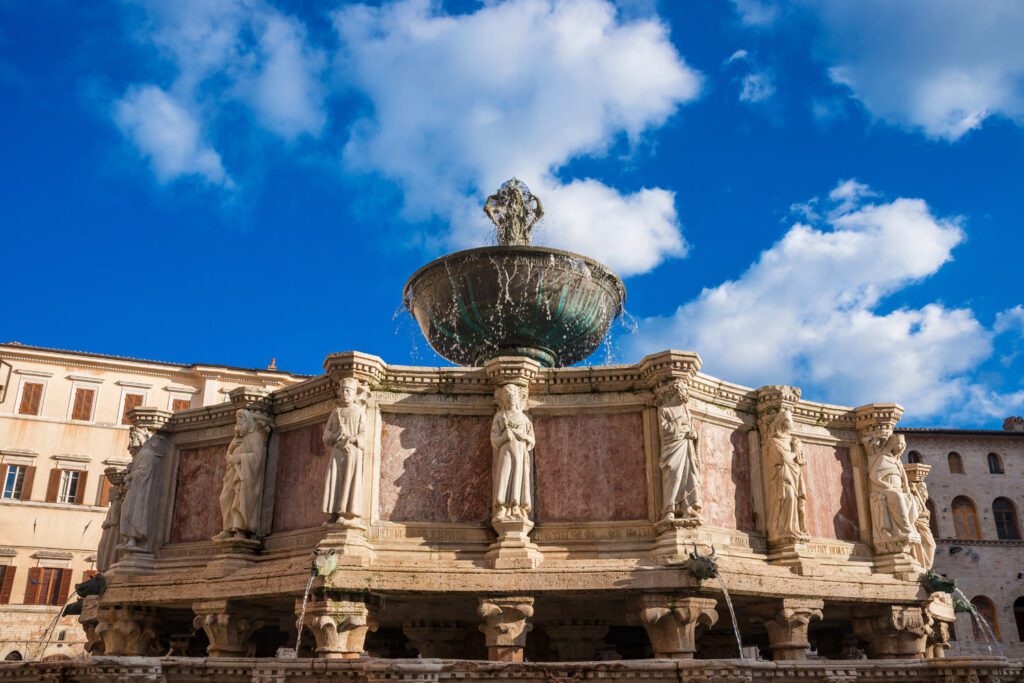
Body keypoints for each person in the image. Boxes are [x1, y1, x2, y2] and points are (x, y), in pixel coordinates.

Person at [322, 378, 367, 523]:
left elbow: (364, 434)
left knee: (349, 481)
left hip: (352, 453)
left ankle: (346, 513)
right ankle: (333, 514)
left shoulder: (359, 411)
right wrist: (335, 435)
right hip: (337, 452)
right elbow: (326, 435)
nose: (344, 393)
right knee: (335, 481)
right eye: (342, 391)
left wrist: (352, 438)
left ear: (354, 394)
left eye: (348, 391)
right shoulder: (336, 412)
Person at [657, 380, 702, 524]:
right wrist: (681, 427)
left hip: (687, 448)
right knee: (673, 475)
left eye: (686, 390)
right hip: (673, 449)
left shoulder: (687, 411)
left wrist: (694, 434)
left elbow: (693, 429)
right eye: (683, 390)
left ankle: (687, 508)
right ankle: (669, 509)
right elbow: (664, 430)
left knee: (690, 477)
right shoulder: (664, 410)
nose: (686, 393)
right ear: (675, 392)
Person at [491, 384, 535, 521]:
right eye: (507, 397)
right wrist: (504, 437)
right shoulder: (500, 416)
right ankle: (501, 507)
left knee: (518, 475)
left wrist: (524, 437)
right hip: (506, 450)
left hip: (520, 451)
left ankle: (516, 506)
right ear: (504, 399)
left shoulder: (524, 418)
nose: (511, 399)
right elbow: (494, 439)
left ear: (517, 398)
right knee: (504, 474)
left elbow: (532, 440)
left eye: (513, 396)